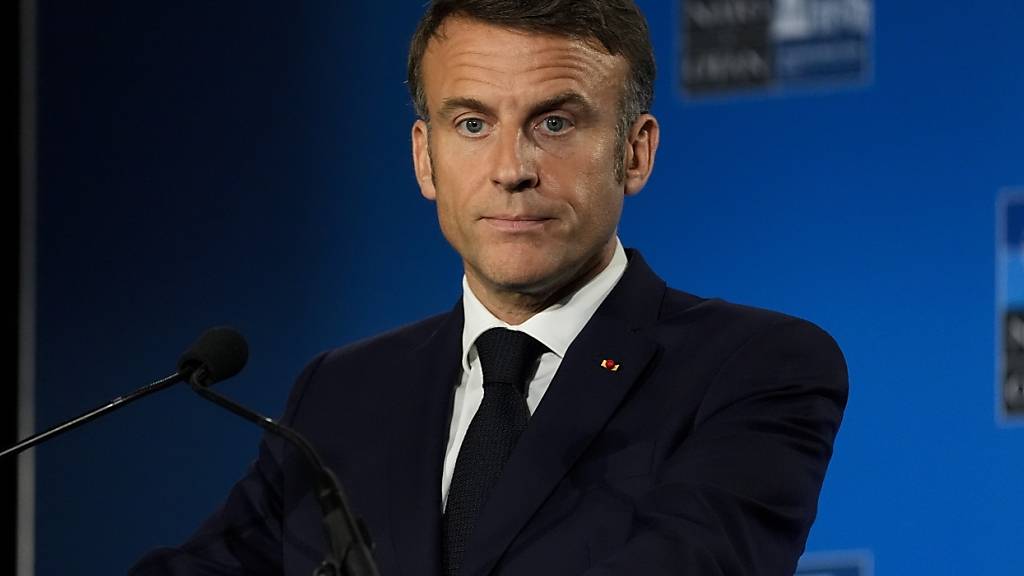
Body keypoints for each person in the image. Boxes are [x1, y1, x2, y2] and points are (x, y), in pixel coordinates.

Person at [132, 1, 848, 574]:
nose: (512, 168)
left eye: (556, 122)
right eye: (472, 123)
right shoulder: (344, 392)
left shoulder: (753, 367)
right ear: (425, 158)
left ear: (635, 151)